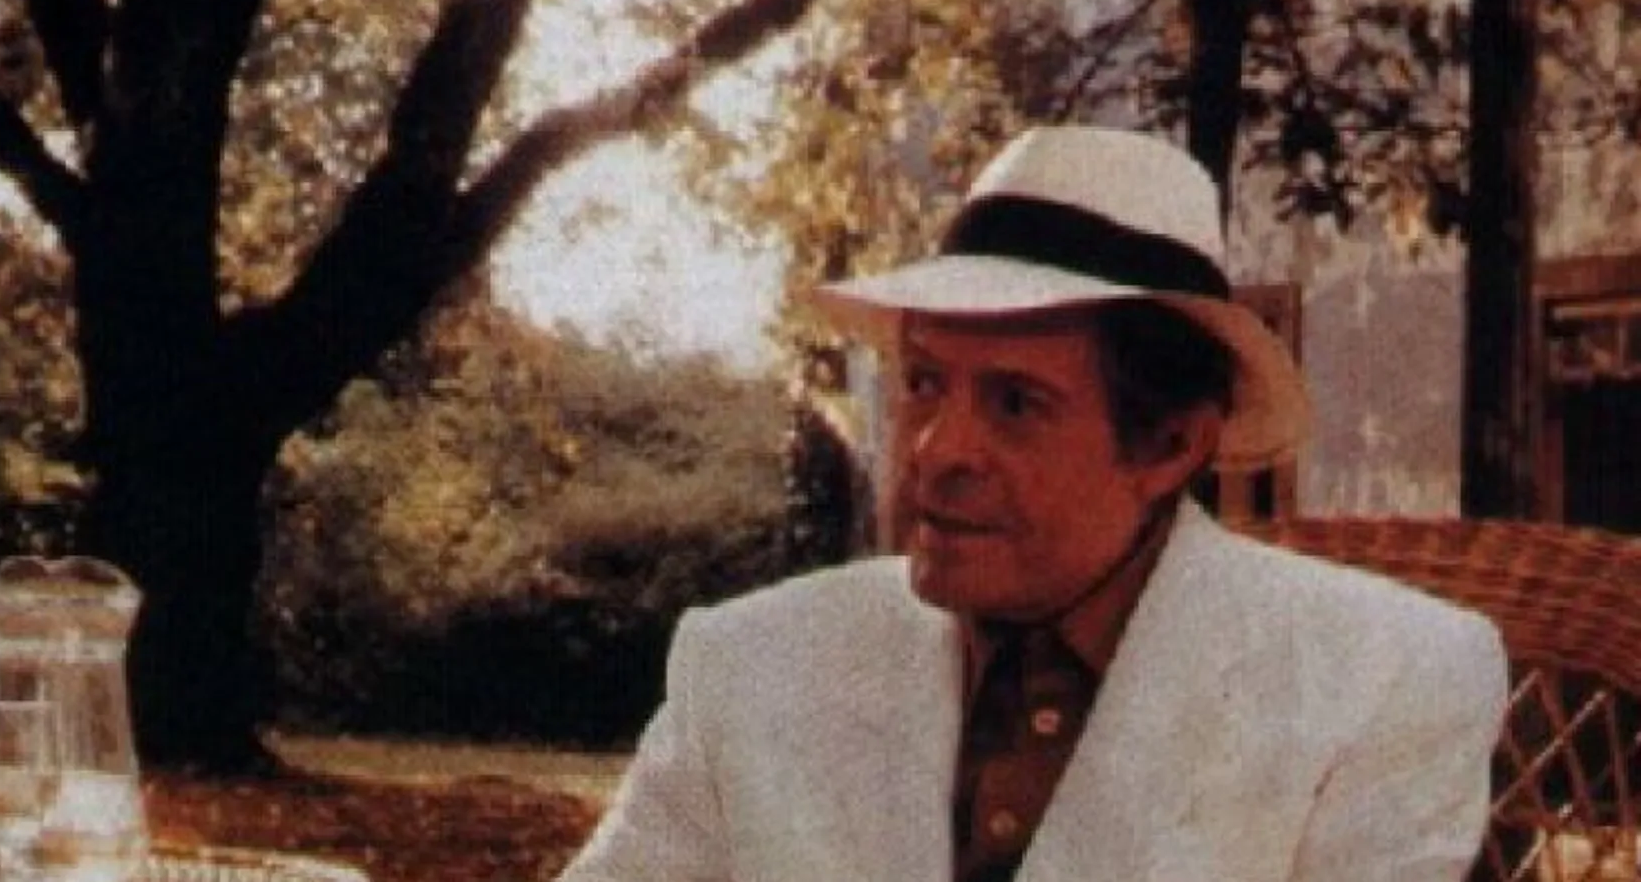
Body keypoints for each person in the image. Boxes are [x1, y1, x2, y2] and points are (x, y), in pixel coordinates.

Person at [556, 125, 1509, 882]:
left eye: (1015, 402)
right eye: (923, 382)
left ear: (1171, 446)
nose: (937, 451)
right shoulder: (751, 663)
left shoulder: (1387, 681)